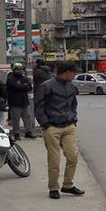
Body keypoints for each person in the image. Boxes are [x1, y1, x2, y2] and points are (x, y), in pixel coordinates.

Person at [34, 62, 85, 200]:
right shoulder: (47, 86)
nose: (74, 75)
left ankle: (68, 185)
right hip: (52, 128)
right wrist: (46, 124)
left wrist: (73, 119)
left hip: (69, 127)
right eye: (74, 73)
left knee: (72, 156)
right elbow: (38, 107)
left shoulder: (71, 86)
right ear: (67, 72)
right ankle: (54, 187)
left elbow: (74, 103)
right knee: (54, 161)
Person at [6, 63, 37, 140]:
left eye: (21, 69)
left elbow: (29, 87)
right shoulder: (10, 78)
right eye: (18, 69)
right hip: (15, 103)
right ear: (14, 70)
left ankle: (28, 132)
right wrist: (24, 86)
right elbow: (15, 87)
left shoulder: (24, 78)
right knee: (15, 119)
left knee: (28, 117)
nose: (20, 71)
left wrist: (23, 86)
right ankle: (16, 134)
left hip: (25, 102)